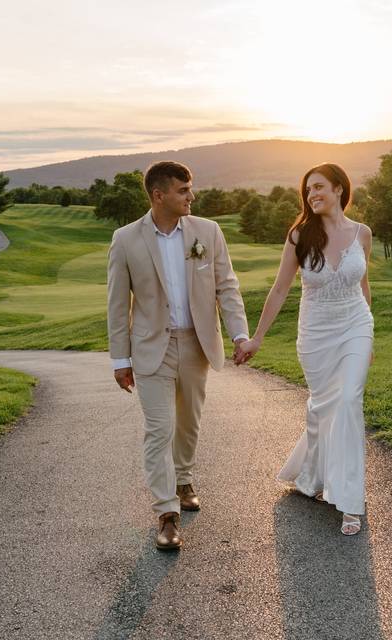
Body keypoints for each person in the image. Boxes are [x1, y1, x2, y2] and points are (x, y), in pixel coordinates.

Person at [107, 161, 250, 551]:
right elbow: (118, 305)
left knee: (188, 422)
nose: (192, 196)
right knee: (159, 428)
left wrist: (239, 333)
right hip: (151, 348)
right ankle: (166, 513)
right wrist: (120, 359)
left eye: (190, 189)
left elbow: (227, 286)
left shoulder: (208, 231)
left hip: (196, 343)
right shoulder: (125, 239)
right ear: (159, 195)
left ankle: (184, 477)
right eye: (184, 190)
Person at [237, 163, 374, 536]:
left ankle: (349, 501)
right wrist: (257, 337)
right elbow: (280, 288)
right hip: (316, 335)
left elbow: (364, 285)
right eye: (308, 190)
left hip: (356, 327)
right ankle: (312, 475)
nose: (312, 195)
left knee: (347, 402)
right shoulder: (299, 236)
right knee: (323, 408)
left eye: (319, 188)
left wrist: (368, 337)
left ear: (340, 189)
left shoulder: (362, 234)